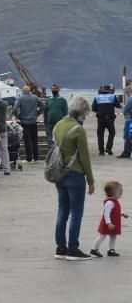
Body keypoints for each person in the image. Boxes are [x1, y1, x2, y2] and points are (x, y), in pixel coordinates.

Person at [52, 96, 95, 261]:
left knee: (62, 211)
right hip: (75, 174)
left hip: (59, 174)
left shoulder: (58, 126)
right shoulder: (78, 129)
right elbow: (85, 158)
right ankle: (73, 249)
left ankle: (60, 248)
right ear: (82, 112)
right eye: (85, 112)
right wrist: (91, 181)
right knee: (76, 213)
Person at [90, 181, 128, 258]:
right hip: (108, 224)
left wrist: (122, 214)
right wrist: (108, 223)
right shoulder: (109, 202)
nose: (121, 193)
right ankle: (94, 249)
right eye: (119, 192)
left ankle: (111, 250)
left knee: (113, 236)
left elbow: (117, 211)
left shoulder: (115, 201)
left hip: (114, 224)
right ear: (112, 193)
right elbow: (106, 213)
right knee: (102, 236)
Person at [13, 86, 44, 162]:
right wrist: (37, 113)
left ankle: (29, 158)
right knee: (34, 140)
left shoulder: (20, 98)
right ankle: (36, 158)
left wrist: (19, 116)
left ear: (23, 91)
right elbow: (43, 106)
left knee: (27, 141)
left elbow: (14, 109)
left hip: (24, 122)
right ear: (30, 91)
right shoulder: (35, 97)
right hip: (33, 121)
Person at [92, 85, 122, 155]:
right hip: (110, 118)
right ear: (110, 89)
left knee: (100, 135)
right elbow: (118, 105)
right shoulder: (112, 96)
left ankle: (101, 151)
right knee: (112, 133)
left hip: (100, 118)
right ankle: (108, 148)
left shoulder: (97, 97)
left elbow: (93, 108)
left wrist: (100, 109)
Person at [119, 84, 132, 159]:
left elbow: (125, 109)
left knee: (127, 136)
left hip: (129, 119)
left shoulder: (130, 98)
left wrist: (122, 106)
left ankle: (126, 153)